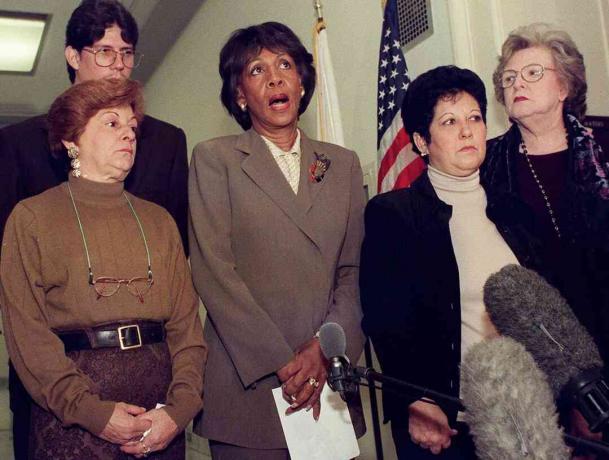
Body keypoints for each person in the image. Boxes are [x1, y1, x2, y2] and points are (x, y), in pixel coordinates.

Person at [0, 2, 190, 457]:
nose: (118, 64)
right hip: (57, 381)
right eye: (105, 52)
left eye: (127, 53)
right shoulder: (18, 147)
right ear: (73, 56)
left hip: (156, 381)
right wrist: (80, 403)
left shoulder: (164, 143)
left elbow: (178, 284)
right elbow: (18, 295)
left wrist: (179, 405)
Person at [188, 21, 366, 459]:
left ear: (302, 84)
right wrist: (284, 362)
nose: (275, 77)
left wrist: (324, 349)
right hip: (248, 388)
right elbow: (214, 271)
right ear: (239, 96)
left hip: (327, 383)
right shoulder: (215, 160)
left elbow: (353, 271)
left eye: (285, 64)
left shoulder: (341, 165)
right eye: (256, 69)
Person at [361, 66, 522, 459]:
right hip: (447, 423)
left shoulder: (513, 208)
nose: (467, 131)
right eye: (449, 122)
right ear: (421, 141)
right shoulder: (395, 214)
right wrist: (416, 399)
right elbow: (385, 321)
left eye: (474, 118)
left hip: (520, 417)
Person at [481, 22, 609, 455]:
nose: (517, 83)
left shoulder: (604, 145)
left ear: (564, 86)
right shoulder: (490, 165)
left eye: (533, 73)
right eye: (509, 78)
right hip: (547, 356)